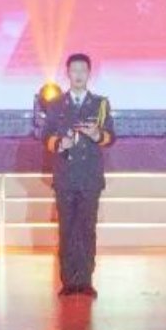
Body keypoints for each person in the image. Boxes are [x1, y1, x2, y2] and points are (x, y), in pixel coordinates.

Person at [42, 52, 115, 297]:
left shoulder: (100, 103)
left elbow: (111, 136)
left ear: (89, 73)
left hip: (89, 177)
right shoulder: (56, 104)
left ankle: (85, 280)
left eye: (83, 70)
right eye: (74, 70)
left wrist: (97, 135)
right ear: (68, 73)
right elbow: (45, 136)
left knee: (86, 229)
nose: (79, 75)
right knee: (66, 229)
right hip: (65, 176)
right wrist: (59, 144)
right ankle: (67, 281)